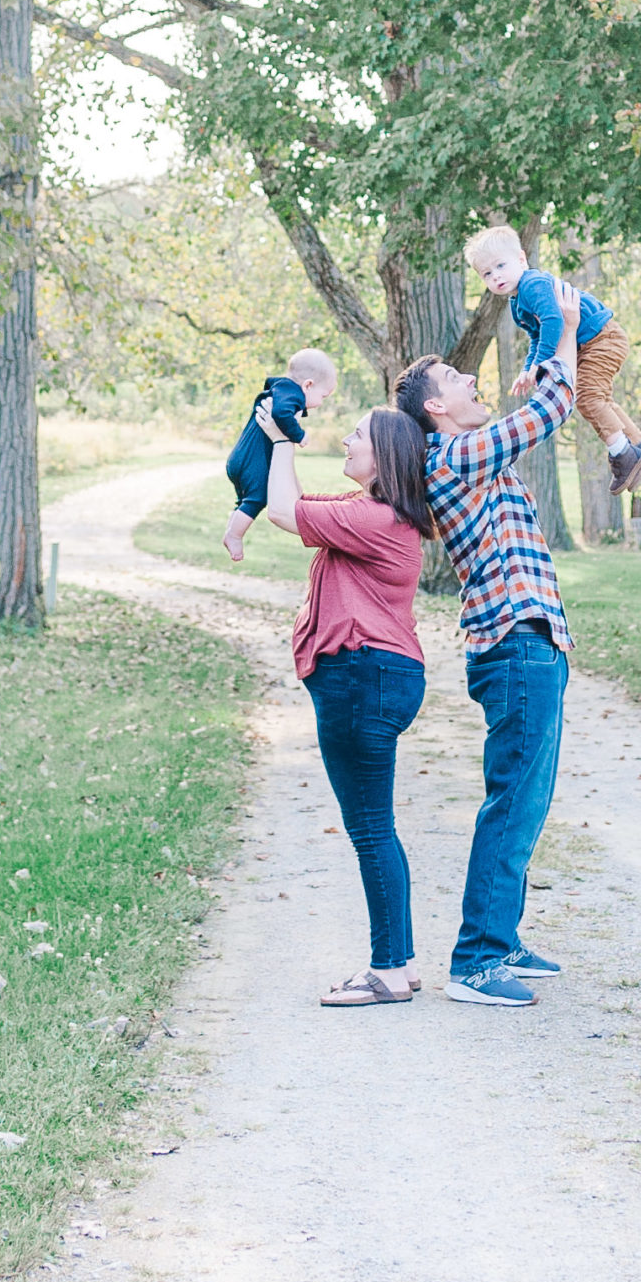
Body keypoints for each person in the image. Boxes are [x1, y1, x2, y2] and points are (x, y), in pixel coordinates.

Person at [397, 320, 578, 1008]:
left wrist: (536, 371)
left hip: (534, 641)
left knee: (528, 802)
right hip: (512, 645)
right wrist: (559, 330)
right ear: (435, 408)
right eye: (455, 379)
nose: (471, 380)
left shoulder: (471, 458)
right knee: (512, 800)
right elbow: (548, 414)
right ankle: (475, 962)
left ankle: (499, 940)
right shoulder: (450, 454)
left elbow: (521, 417)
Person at [255, 394, 435, 1009]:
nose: (347, 442)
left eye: (357, 435)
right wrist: (279, 441)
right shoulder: (369, 510)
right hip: (378, 674)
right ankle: (401, 963)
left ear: (383, 455)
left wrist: (282, 441)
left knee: (370, 831)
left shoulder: (376, 520)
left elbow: (281, 512)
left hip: (362, 675)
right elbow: (293, 503)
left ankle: (386, 970)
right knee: (378, 829)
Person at [463, 224, 641, 497]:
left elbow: (554, 322)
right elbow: (538, 335)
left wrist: (540, 365)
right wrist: (528, 369)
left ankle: (623, 454)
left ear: (521, 259)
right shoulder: (517, 303)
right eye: (487, 273)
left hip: (602, 338)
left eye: (500, 266)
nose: (495, 276)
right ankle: (639, 446)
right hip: (591, 343)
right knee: (598, 397)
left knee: (588, 397)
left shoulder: (532, 284)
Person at [223, 347, 338, 563]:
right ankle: (234, 535)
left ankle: (233, 526)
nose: (322, 403)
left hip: (241, 458)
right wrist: (298, 435)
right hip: (251, 462)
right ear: (308, 385)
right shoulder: (291, 395)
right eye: (323, 396)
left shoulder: (280, 390)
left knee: (245, 500)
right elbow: (280, 414)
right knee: (258, 498)